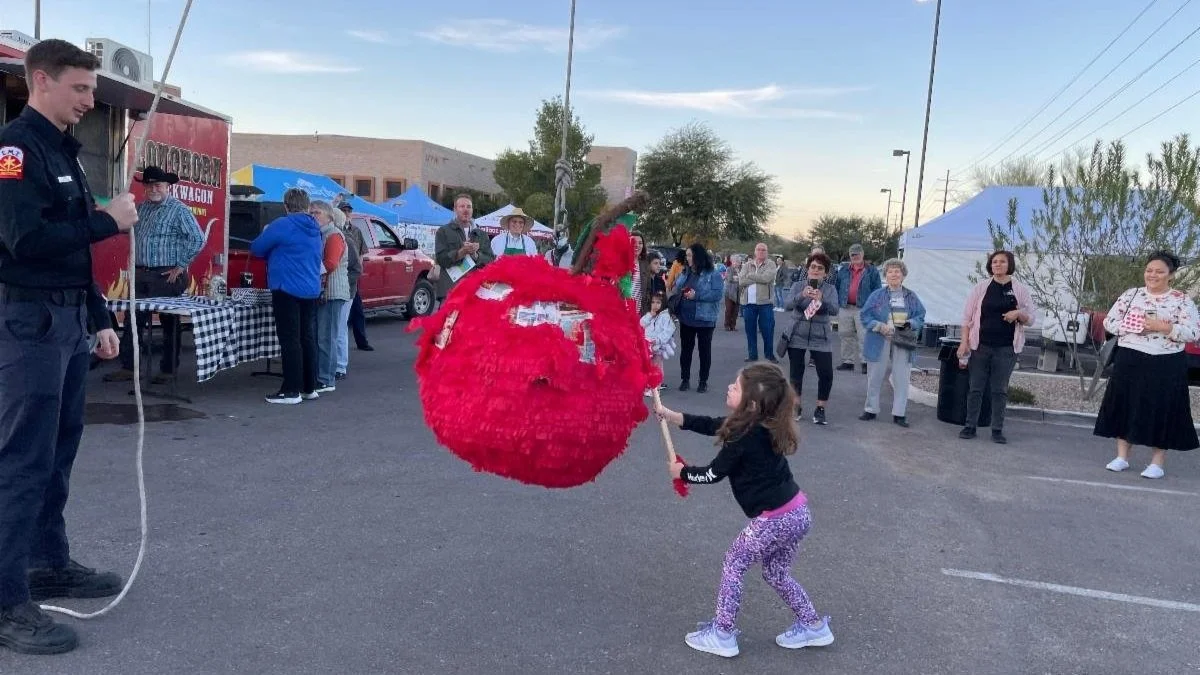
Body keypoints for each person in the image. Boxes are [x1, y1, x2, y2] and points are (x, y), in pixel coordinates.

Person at [0, 38, 139, 655]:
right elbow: (23, 240)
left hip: (65, 323)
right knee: (22, 461)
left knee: (57, 453)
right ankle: (6, 602)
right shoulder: (10, 153)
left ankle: (46, 561)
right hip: (25, 324)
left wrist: (99, 315)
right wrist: (108, 220)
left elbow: (73, 254)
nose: (90, 99)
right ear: (40, 81)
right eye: (80, 88)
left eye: (91, 88)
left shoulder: (64, 153)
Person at [654, 363, 833, 659]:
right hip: (797, 513)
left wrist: (682, 473)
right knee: (776, 572)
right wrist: (674, 417)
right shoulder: (756, 424)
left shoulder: (744, 437)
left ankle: (723, 633)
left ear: (751, 403)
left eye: (735, 387)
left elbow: (713, 473)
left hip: (774, 520)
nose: (729, 387)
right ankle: (813, 626)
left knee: (734, 562)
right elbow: (714, 424)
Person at [1095, 251, 1200, 479]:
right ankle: (1122, 456)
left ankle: (1157, 462)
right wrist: (1134, 327)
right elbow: (1110, 321)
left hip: (1166, 361)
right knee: (1126, 404)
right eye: (1149, 270)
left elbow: (1193, 332)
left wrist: (1165, 328)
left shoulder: (1181, 300)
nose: (1152, 275)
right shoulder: (1132, 294)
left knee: (1161, 408)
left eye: (1159, 271)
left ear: (1170, 275)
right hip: (1130, 357)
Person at [105, 165, 203, 384]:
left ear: (167, 186)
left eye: (157, 185)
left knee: (169, 322)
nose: (153, 189)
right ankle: (130, 367)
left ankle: (168, 370)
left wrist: (181, 265)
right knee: (133, 320)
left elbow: (198, 238)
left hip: (167, 275)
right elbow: (125, 228)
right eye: (149, 185)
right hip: (142, 273)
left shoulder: (179, 210)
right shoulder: (142, 209)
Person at [250, 187, 322, 405]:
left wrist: (267, 235)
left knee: (290, 339)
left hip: (287, 287)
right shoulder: (315, 227)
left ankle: (291, 389)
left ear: (286, 206)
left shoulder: (282, 224)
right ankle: (309, 386)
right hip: (310, 288)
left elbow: (256, 248)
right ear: (308, 206)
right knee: (306, 337)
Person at [956, 250, 1035, 444]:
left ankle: (997, 429)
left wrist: (1017, 313)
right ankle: (970, 426)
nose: (997, 265)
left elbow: (1031, 318)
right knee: (975, 388)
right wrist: (964, 342)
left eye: (1001, 262)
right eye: (994, 262)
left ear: (1010, 265)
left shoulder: (1019, 289)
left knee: (999, 390)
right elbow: (966, 318)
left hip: (1006, 348)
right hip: (980, 346)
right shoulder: (981, 288)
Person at [858, 259, 926, 427]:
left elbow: (920, 315)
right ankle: (871, 409)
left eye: (897, 271)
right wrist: (878, 326)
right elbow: (865, 315)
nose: (894, 274)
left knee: (901, 376)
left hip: (903, 338)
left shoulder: (911, 296)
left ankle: (899, 413)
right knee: (875, 375)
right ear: (885, 275)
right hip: (879, 337)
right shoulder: (876, 295)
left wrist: (910, 324)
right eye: (890, 271)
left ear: (903, 275)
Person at [784, 252, 840, 425]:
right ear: (807, 269)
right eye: (813, 267)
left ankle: (820, 408)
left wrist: (821, 300)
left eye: (820, 268)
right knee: (796, 373)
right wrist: (802, 295)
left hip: (820, 336)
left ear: (826, 272)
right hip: (797, 334)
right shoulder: (798, 285)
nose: (816, 270)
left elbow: (834, 310)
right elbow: (787, 305)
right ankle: (796, 405)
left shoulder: (830, 289)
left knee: (826, 374)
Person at [673, 243, 724, 393]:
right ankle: (685, 379)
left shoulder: (713, 274)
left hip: (705, 319)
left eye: (689, 255)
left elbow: (717, 295)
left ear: (697, 256)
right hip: (686, 318)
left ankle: (703, 381)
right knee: (686, 350)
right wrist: (684, 272)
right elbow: (678, 286)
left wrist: (697, 296)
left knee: (704, 351)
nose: (687, 258)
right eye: (686, 255)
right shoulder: (687, 271)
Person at [311, 200, 350, 394]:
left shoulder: (333, 235)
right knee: (324, 336)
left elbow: (331, 263)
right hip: (327, 291)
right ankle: (324, 376)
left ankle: (326, 378)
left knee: (326, 337)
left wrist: (308, 272)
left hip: (332, 292)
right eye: (311, 212)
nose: (313, 215)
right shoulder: (323, 234)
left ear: (329, 216)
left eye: (317, 212)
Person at [434, 193, 494, 301]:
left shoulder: (481, 234)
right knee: (449, 318)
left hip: (476, 291)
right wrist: (461, 252)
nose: (465, 210)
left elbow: (490, 261)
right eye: (462, 206)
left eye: (468, 207)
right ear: (455, 210)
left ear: (472, 210)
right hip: (451, 290)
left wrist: (476, 255)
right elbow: (441, 259)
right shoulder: (443, 231)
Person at [834, 244, 881, 374]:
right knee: (845, 334)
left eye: (857, 254)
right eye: (852, 254)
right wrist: (838, 302)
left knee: (864, 336)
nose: (855, 256)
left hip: (864, 308)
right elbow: (837, 287)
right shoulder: (843, 270)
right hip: (845, 307)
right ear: (849, 256)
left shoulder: (872, 270)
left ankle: (865, 362)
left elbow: (877, 290)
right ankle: (847, 362)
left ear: (862, 254)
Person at [338, 202, 373, 352]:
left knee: (357, 310)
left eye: (348, 211)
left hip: (352, 276)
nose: (346, 213)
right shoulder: (337, 230)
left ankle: (362, 341)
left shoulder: (356, 231)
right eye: (343, 210)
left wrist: (358, 273)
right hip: (340, 275)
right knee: (343, 316)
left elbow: (361, 254)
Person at [331, 205, 360, 378]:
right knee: (334, 328)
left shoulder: (346, 240)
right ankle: (333, 363)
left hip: (346, 291)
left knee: (340, 328)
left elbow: (357, 268)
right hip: (336, 290)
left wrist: (344, 283)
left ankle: (340, 366)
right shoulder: (332, 237)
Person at [739, 243, 777, 362]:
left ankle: (769, 355)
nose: (761, 252)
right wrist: (757, 278)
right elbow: (741, 281)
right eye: (759, 250)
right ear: (755, 251)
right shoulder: (747, 264)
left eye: (763, 250)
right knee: (750, 330)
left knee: (767, 330)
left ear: (767, 252)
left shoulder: (771, 264)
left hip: (765, 303)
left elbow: (767, 278)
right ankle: (752, 355)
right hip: (748, 303)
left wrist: (750, 276)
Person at [641, 291, 676, 395]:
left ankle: (656, 387)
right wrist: (649, 315)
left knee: (656, 367)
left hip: (657, 347)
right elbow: (641, 324)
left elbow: (668, 331)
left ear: (663, 303)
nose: (655, 305)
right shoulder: (650, 314)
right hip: (647, 345)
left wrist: (657, 340)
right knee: (647, 366)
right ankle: (649, 385)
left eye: (658, 303)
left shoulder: (666, 316)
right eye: (653, 302)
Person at [723, 254, 742, 331]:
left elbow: (743, 279)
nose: (736, 263)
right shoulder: (729, 269)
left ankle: (733, 325)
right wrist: (738, 278)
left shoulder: (741, 270)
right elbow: (730, 279)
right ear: (732, 261)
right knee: (729, 310)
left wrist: (738, 277)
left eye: (738, 262)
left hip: (738, 293)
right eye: (735, 261)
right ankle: (727, 325)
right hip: (729, 293)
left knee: (736, 311)